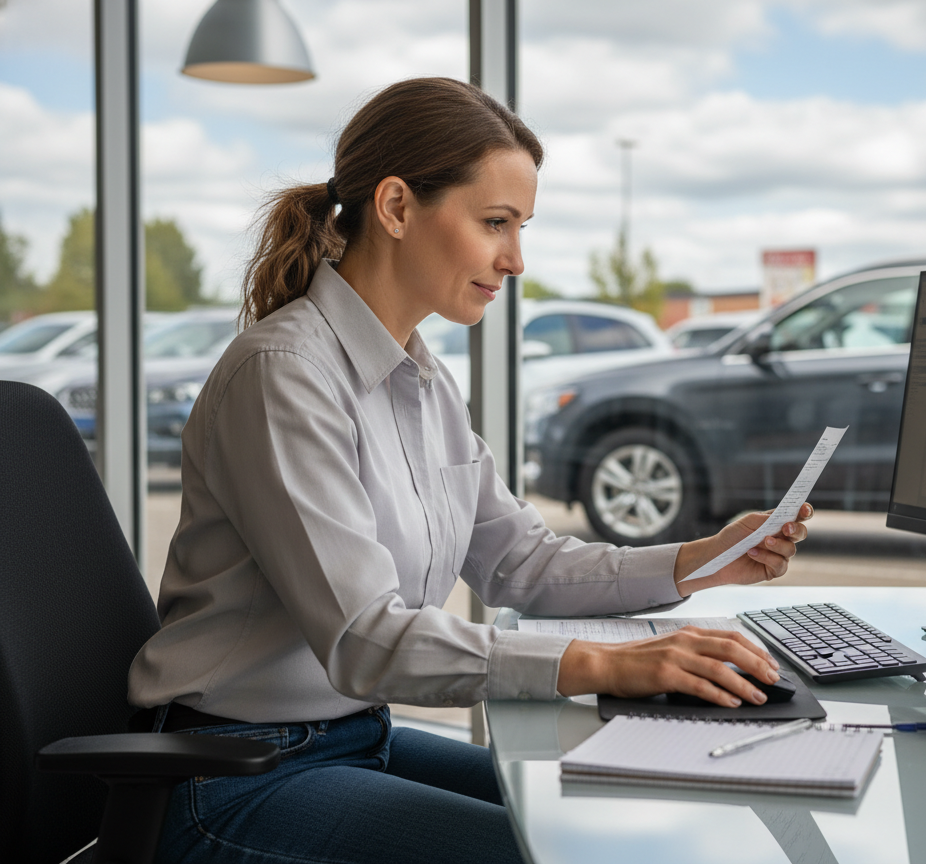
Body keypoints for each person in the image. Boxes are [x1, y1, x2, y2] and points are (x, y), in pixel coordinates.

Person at [128, 77, 812, 864]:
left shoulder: (419, 381)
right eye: (496, 223)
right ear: (395, 208)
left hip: (350, 740)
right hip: (231, 779)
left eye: (520, 227)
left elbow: (520, 561)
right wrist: (605, 665)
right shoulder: (284, 373)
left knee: (615, 812)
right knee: (555, 853)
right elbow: (365, 639)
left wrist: (705, 559)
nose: (516, 259)